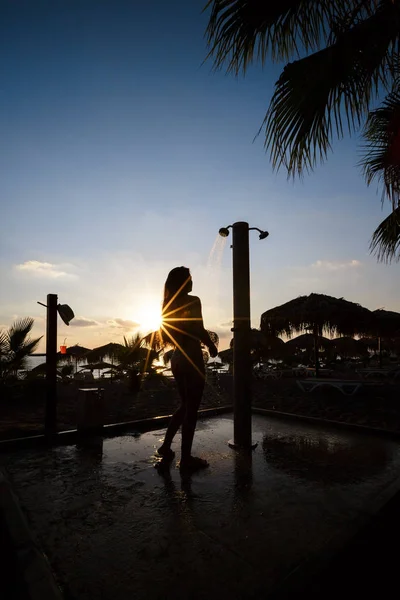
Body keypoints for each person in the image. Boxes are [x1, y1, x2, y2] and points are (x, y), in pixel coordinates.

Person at [157, 266, 218, 471]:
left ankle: (165, 447)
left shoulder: (167, 305)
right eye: (190, 278)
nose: (193, 281)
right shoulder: (194, 300)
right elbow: (198, 327)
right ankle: (186, 459)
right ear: (184, 282)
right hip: (191, 356)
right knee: (191, 410)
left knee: (184, 406)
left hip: (176, 358)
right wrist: (210, 345)